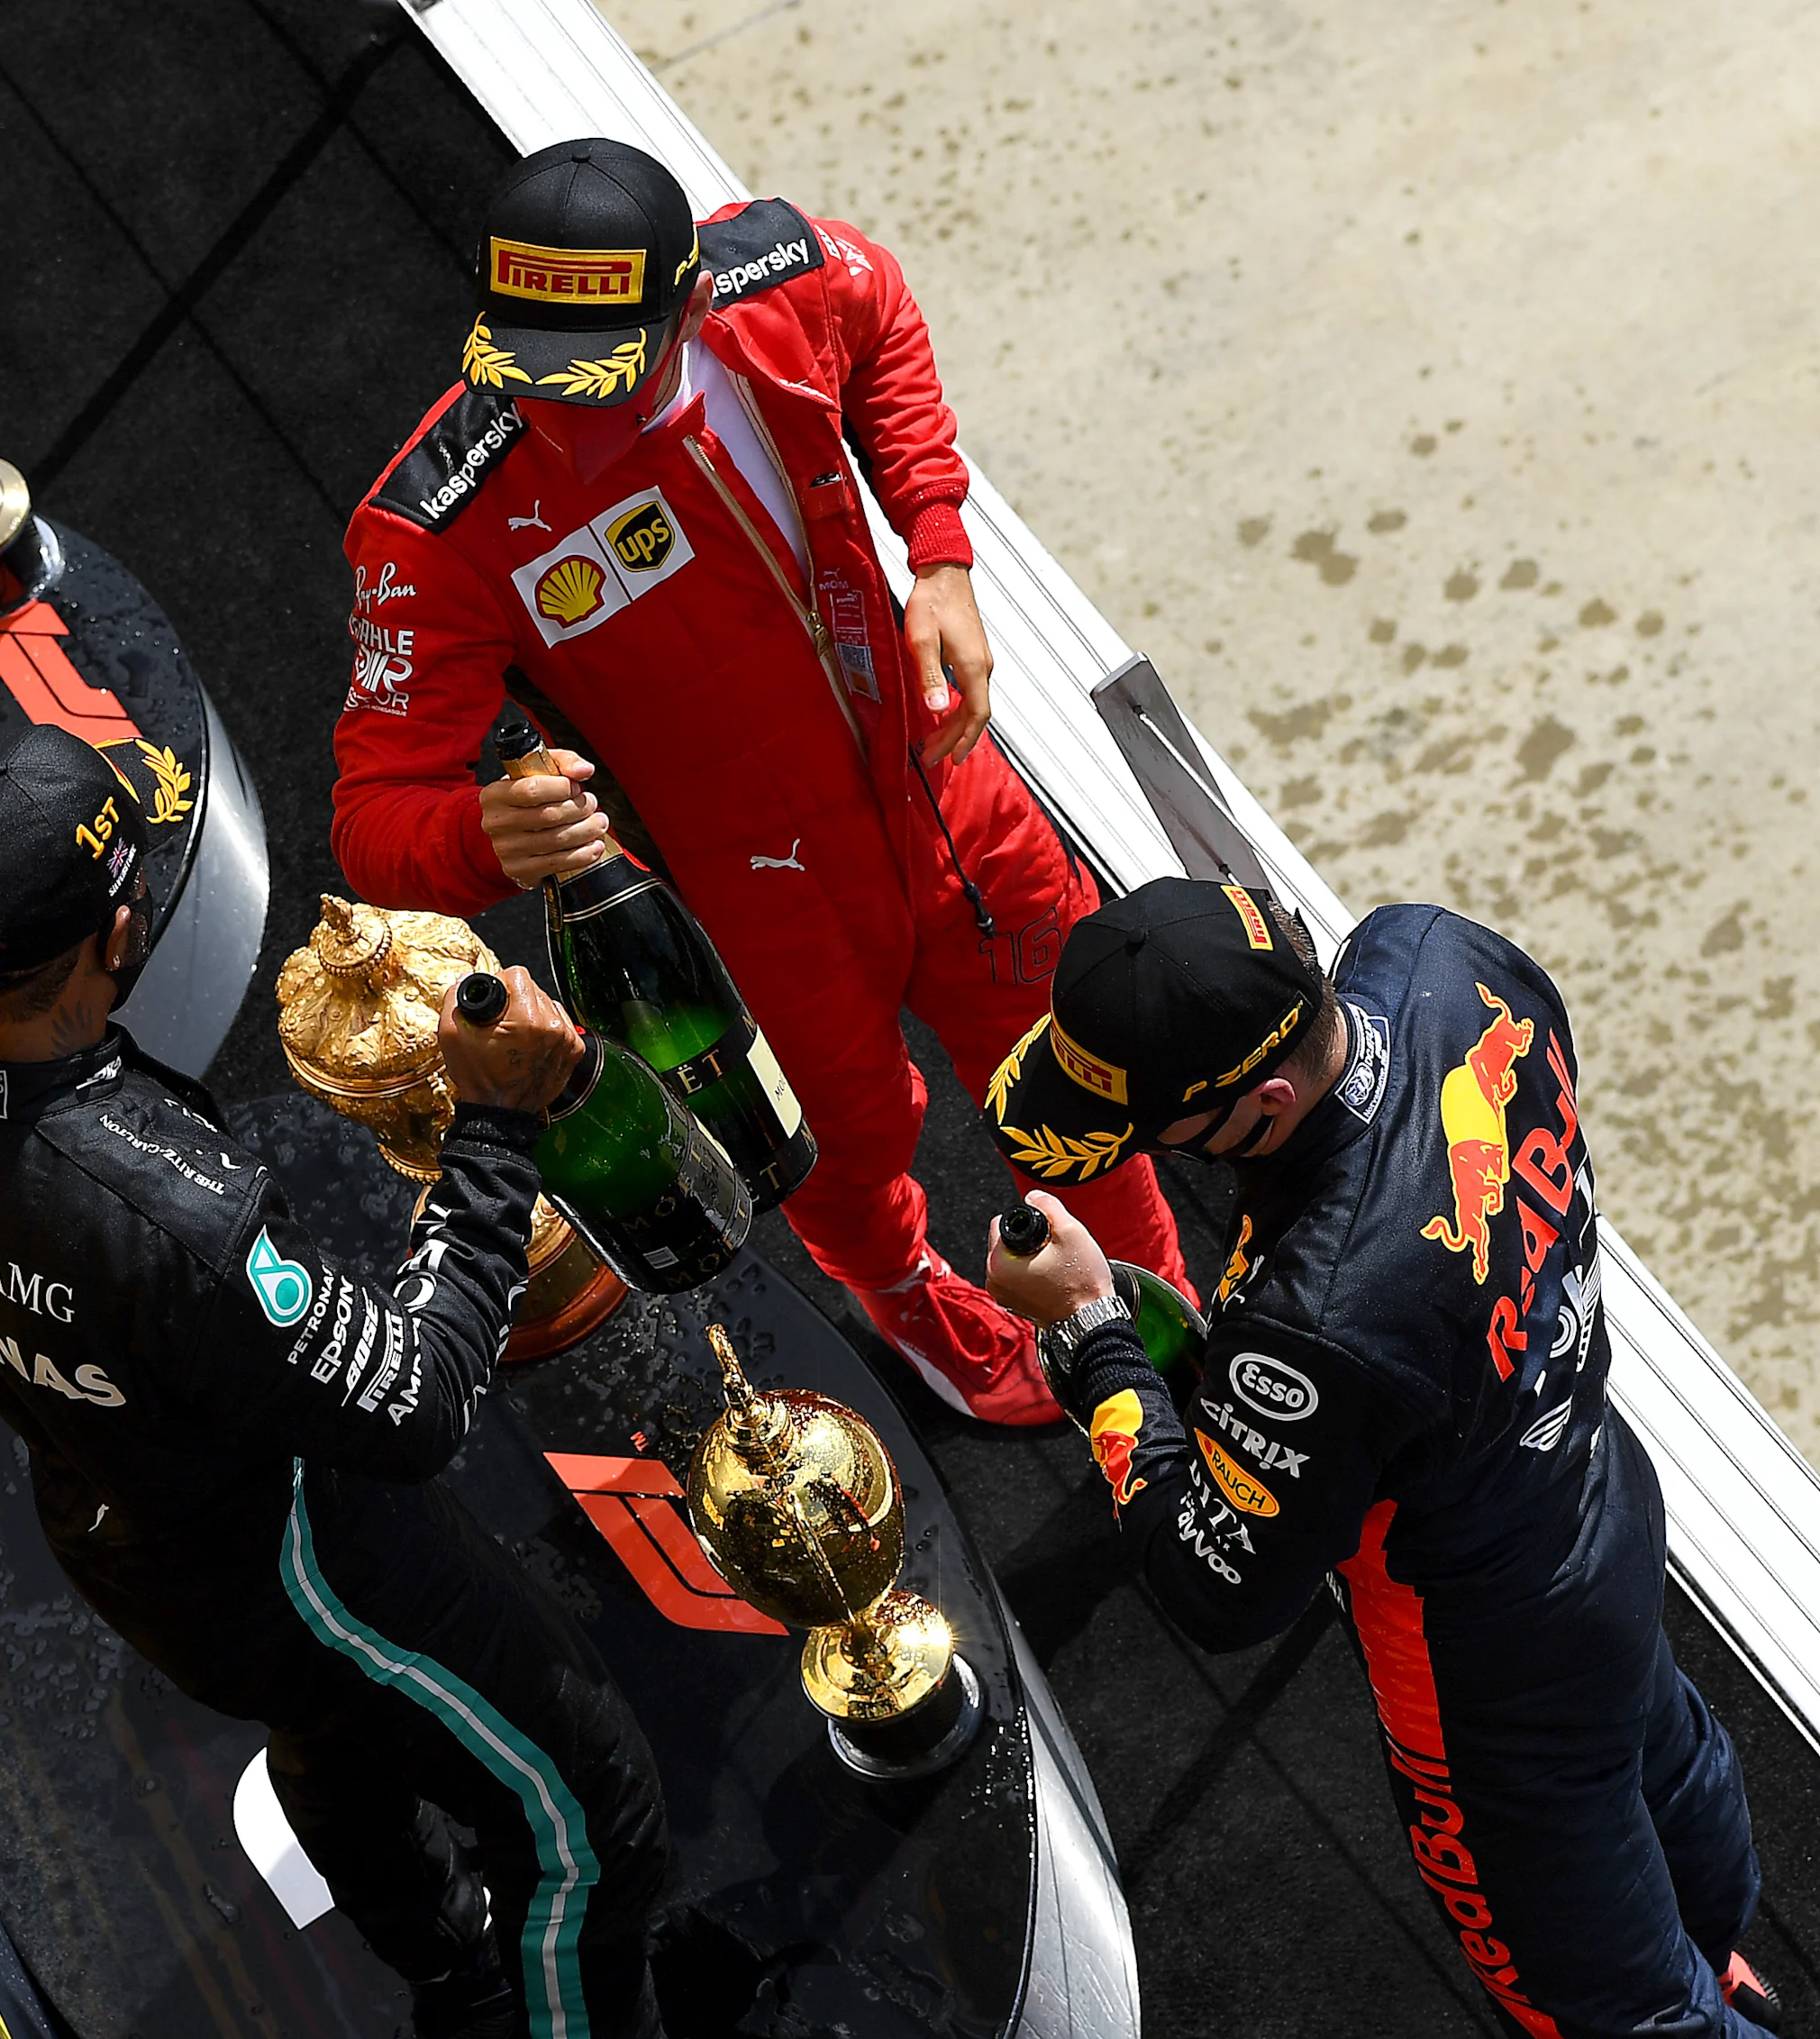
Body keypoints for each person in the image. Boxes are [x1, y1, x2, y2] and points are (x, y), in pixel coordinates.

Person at [0, 725, 670, 2038]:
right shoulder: (158, 1210)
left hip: (128, 1543)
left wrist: (70, 1363)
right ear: (117, 931)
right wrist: (491, 1129)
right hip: (306, 1562)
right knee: (597, 1820)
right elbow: (414, 1403)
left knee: (329, 1733)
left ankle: (449, 1974)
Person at [330, 135, 1186, 1428]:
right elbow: (370, 821)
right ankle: (915, 1306)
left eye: (597, 374)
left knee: (1077, 1060)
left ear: (687, 303)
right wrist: (484, 834)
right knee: (841, 1150)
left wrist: (939, 545)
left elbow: (884, 304)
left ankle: (1156, 1317)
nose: (561, 410)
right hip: (750, 900)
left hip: (941, 785)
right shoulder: (434, 525)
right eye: (528, 368)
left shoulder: (777, 271)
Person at [982, 877, 1778, 2039]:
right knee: (1664, 1757)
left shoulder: (1326, 1317)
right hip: (1597, 1488)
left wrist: (1093, 1336)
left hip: (1477, 1654)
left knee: (1605, 2014)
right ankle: (1726, 1963)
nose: (1158, 1159)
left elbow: (1216, 1585)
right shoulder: (1437, 954)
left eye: (1162, 1136)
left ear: (1260, 1101)